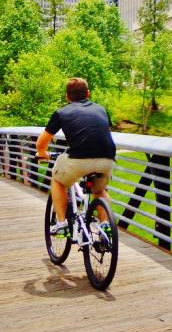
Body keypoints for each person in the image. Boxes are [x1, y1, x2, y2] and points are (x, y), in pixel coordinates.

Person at [35, 78, 115, 235]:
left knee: (58, 181)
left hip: (79, 159)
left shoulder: (61, 112)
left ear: (67, 97)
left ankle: (61, 223)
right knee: (99, 189)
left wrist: (43, 153)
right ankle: (106, 225)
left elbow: (41, 143)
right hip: (106, 157)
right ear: (88, 93)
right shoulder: (101, 109)